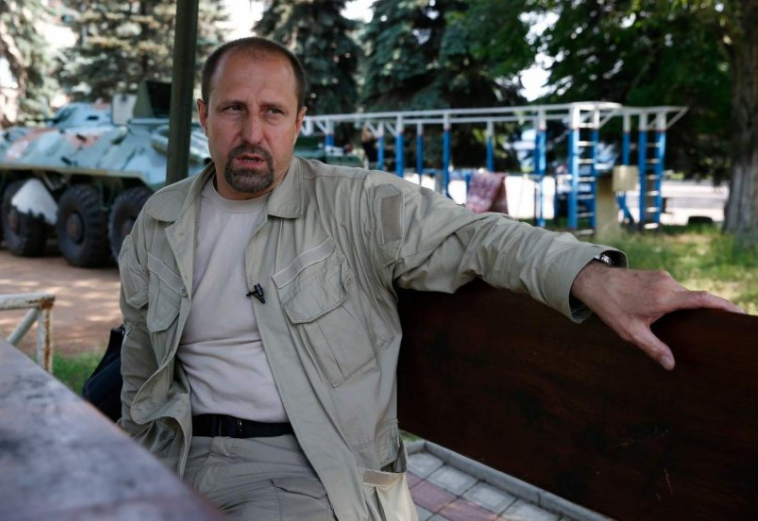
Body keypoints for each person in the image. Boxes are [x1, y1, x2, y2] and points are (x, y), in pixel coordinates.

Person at [117, 37, 740, 521]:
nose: (253, 134)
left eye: (272, 112)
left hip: (303, 470)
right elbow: (141, 372)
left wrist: (589, 275)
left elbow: (475, 235)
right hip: (177, 452)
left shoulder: (354, 205)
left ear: (300, 121)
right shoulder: (161, 221)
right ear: (203, 114)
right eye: (234, 109)